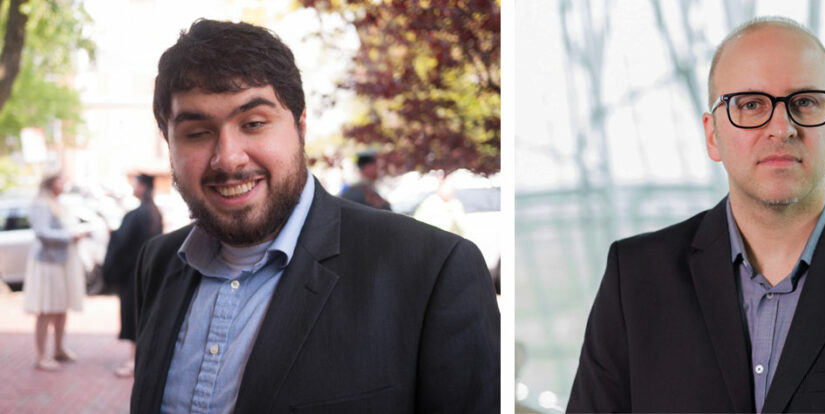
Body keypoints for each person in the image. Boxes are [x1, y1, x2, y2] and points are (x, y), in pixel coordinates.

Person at [567, 17, 825, 413]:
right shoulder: (636, 279)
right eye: (750, 105)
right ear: (712, 135)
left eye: (804, 102)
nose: (781, 128)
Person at [131, 19, 499, 413]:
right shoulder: (157, 264)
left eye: (253, 124)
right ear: (169, 143)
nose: (228, 158)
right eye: (197, 133)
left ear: (300, 125)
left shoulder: (431, 271)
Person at [22, 173, 89, 371]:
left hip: (62, 262)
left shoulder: (57, 203)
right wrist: (70, 236)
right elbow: (42, 233)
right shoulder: (42, 204)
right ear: (50, 184)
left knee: (61, 307)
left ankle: (59, 348)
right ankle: (41, 355)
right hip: (47, 264)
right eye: (59, 181)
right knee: (46, 308)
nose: (63, 184)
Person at [103, 173, 163, 378]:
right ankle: (140, 358)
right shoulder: (154, 212)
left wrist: (113, 235)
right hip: (146, 271)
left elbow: (121, 244)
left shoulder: (137, 214)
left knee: (133, 315)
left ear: (144, 187)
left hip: (131, 275)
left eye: (136, 184)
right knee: (143, 314)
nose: (133, 188)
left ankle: (134, 359)